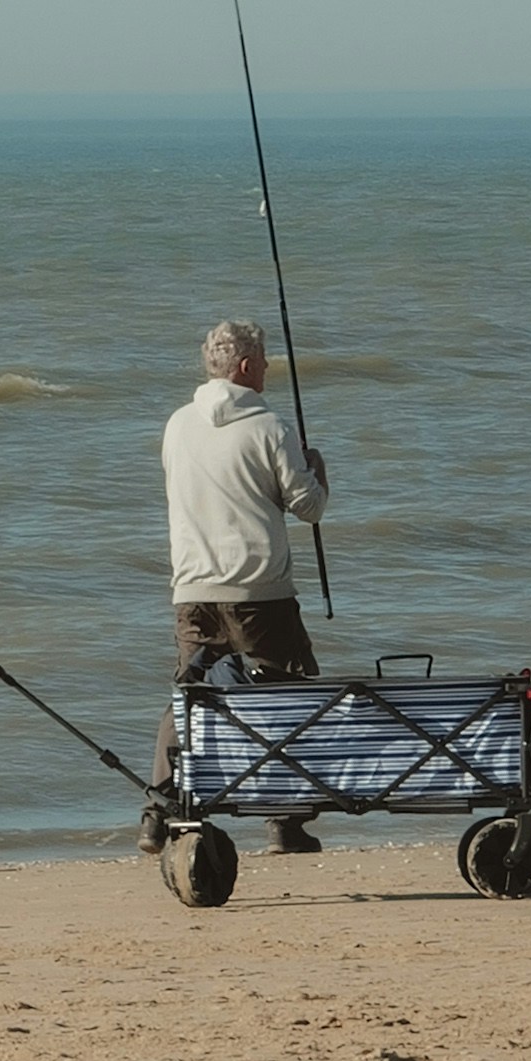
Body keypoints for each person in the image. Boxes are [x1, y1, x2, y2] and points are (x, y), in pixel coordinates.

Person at [158, 314, 328, 854]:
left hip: (192, 589)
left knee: (190, 696)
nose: (270, 368)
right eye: (265, 361)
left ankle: (158, 810)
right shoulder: (270, 427)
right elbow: (309, 506)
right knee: (289, 696)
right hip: (260, 594)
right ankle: (285, 821)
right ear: (247, 366)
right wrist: (317, 468)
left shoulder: (177, 425)